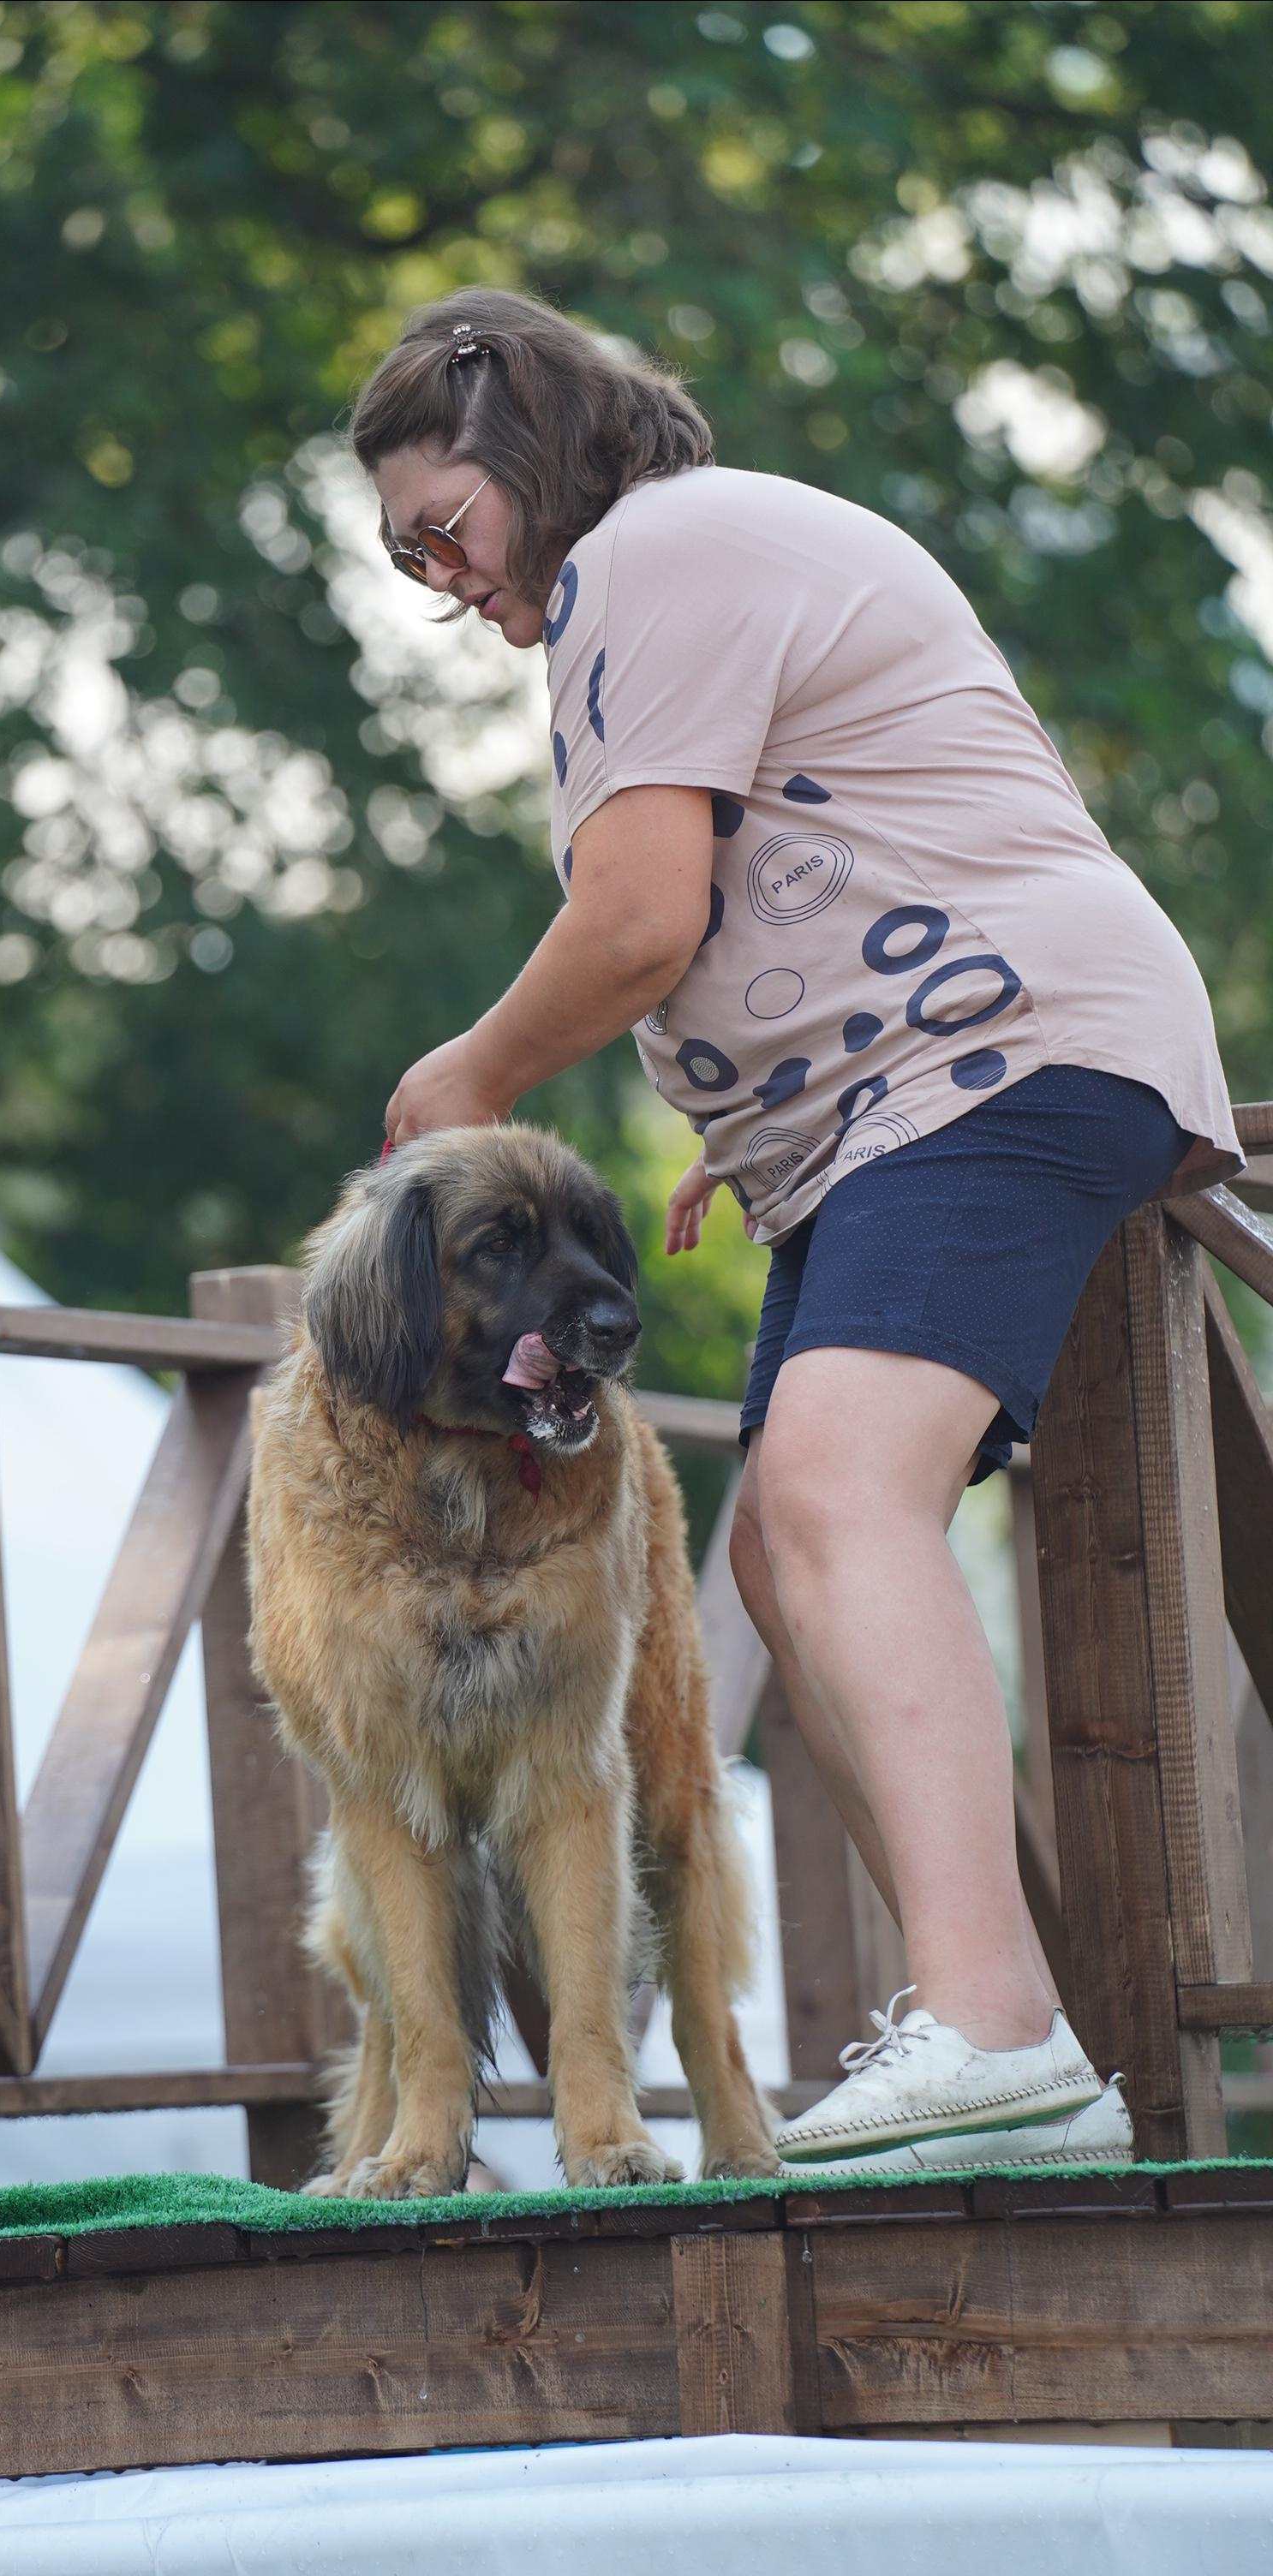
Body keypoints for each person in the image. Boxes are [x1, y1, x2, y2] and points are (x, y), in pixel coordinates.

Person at [351, 288, 1244, 2177]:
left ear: (526, 457)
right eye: (410, 558)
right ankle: (999, 2024)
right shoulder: (680, 572)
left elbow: (640, 916)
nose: (446, 583)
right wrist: (747, 1114)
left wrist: (472, 1075)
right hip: (903, 1090)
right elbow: (793, 878)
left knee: (840, 1503)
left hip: (995, 1053)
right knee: (777, 1550)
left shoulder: (653, 555)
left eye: (444, 529)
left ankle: (1004, 2038)